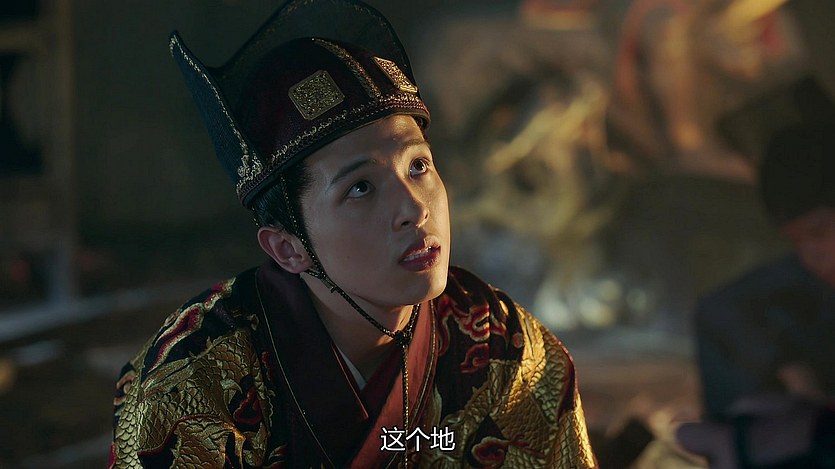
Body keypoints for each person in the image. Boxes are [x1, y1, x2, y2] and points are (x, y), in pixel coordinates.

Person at [107, 1, 597, 467]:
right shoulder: (197, 383)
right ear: (288, 247)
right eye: (361, 187)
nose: (414, 209)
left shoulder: (501, 349)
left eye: (418, 166)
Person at [677, 124, 835, 468]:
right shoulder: (802, 278)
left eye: (819, 232)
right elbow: (721, 310)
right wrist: (786, 365)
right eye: (796, 241)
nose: (811, 254)